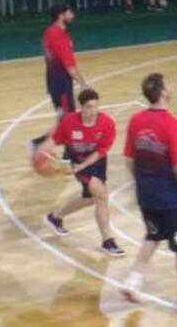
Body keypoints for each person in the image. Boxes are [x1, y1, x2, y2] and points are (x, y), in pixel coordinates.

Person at [122, 73, 177, 315]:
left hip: (146, 195)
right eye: (168, 84)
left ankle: (133, 281)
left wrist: (142, 182)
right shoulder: (173, 126)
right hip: (170, 199)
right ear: (162, 92)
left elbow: (129, 159)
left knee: (153, 235)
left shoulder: (135, 120)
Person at [41, 88, 125, 257]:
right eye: (89, 107)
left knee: (90, 199)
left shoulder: (107, 123)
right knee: (101, 195)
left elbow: (101, 152)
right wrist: (47, 153)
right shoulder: (69, 122)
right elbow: (54, 140)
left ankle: (55, 216)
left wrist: (84, 165)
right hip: (75, 159)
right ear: (81, 107)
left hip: (96, 161)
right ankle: (107, 240)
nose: (93, 111)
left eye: (95, 106)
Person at [30, 4, 88, 152]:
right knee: (70, 121)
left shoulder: (49, 32)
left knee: (64, 119)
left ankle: (38, 143)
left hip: (53, 82)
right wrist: (83, 85)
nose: (73, 15)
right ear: (61, 15)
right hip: (61, 85)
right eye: (70, 12)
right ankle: (68, 156)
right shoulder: (60, 36)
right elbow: (70, 67)